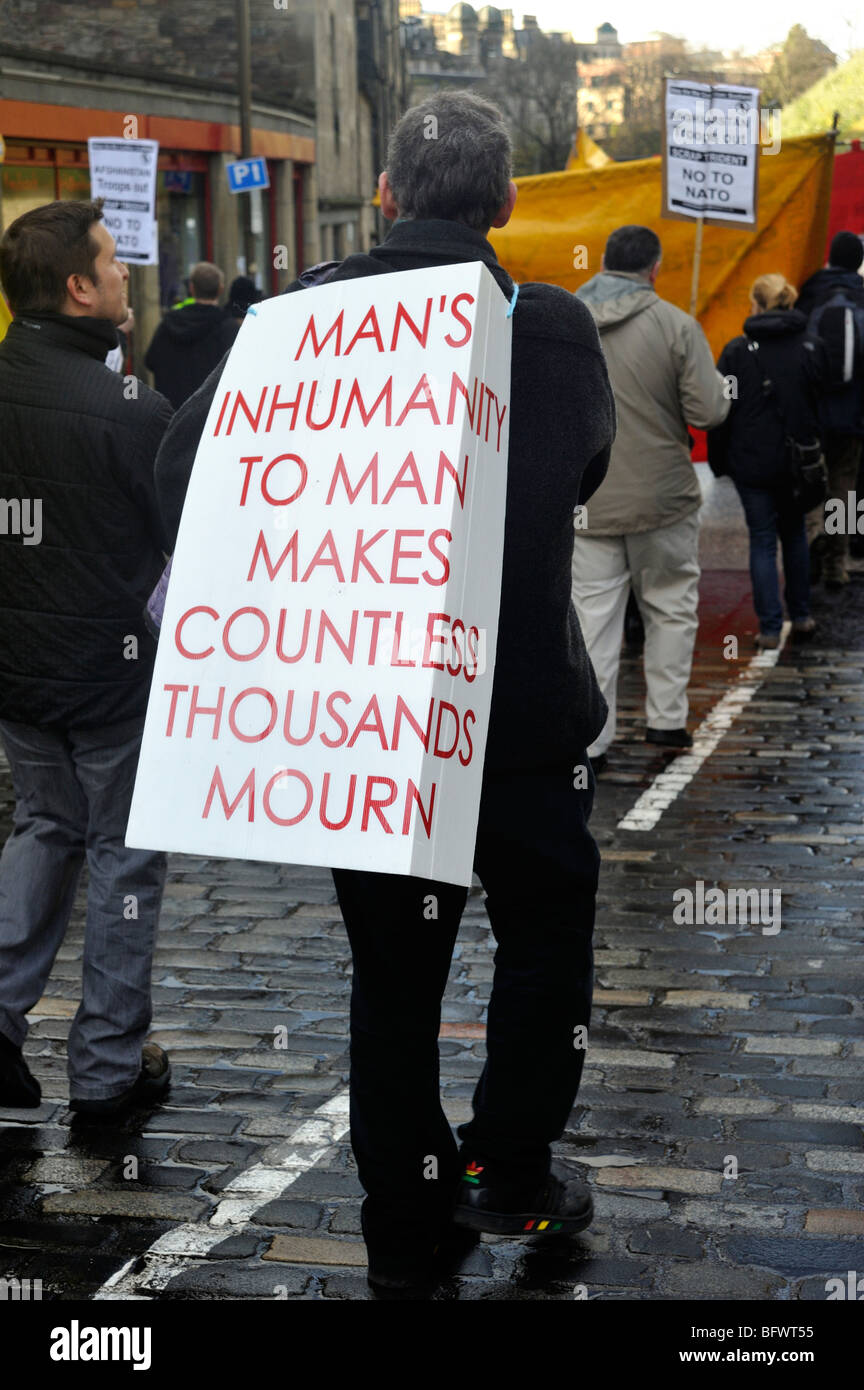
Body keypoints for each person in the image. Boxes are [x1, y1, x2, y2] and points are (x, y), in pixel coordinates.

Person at [151, 90, 615, 1295]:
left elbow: (178, 468)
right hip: (520, 718)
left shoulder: (303, 318)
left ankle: (410, 1215)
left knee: (397, 981)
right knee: (545, 940)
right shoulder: (554, 327)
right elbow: (589, 462)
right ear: (507, 205)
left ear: (391, 197)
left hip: (377, 728)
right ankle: (510, 1164)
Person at [0, 199, 173, 1119]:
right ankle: (106, 1071)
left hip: (21, 676)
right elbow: (189, 532)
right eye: (112, 264)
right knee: (120, 855)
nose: (124, 278)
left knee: (44, 827)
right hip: (113, 682)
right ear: (76, 287)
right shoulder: (128, 410)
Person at [570, 225, 729, 767]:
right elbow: (708, 412)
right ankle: (666, 722)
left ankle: (592, 738)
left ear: (604, 263)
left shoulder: (568, 321)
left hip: (591, 499)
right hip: (664, 496)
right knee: (670, 608)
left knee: (593, 619)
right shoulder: (677, 326)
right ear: (654, 269)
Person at [708, 273, 828, 648]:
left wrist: (719, 461)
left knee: (762, 540)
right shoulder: (812, 346)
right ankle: (802, 614)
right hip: (797, 462)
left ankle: (771, 628)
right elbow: (821, 403)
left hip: (751, 462)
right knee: (793, 534)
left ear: (756, 305)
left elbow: (722, 408)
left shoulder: (736, 351)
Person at [796, 231, 864, 587]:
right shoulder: (862, 297)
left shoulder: (810, 292)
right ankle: (838, 562)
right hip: (853, 416)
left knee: (810, 484)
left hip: (814, 411)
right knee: (845, 487)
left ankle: (810, 549)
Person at [144, 260, 239, 408]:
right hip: (211, 415)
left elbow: (150, 360)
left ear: (191, 288)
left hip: (172, 413)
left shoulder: (168, 324)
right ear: (221, 289)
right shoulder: (230, 328)